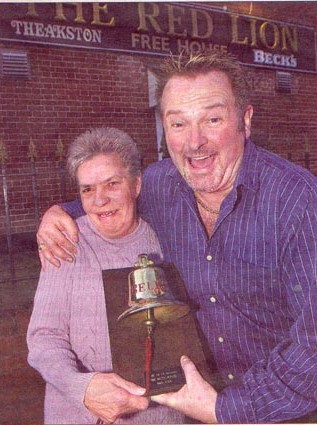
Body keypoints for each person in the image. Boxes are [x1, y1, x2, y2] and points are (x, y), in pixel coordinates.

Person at [36, 51, 317, 424]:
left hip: (279, 412)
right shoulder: (161, 184)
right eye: (178, 124)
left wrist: (224, 410)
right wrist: (59, 213)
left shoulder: (298, 201)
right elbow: (109, 197)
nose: (194, 143)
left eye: (212, 119)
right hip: (191, 410)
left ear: (244, 121)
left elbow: (312, 343)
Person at [27, 127, 184, 424]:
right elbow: (44, 337)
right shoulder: (66, 242)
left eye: (112, 184)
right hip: (78, 412)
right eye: (87, 189)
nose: (99, 200)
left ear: (136, 185)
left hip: (156, 414)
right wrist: (82, 388)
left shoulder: (165, 239)